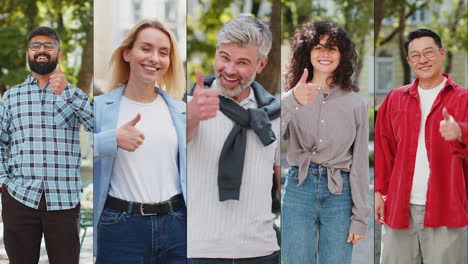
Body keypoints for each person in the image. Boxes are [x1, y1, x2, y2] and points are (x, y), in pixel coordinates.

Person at [187, 15, 281, 263]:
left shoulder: (277, 116)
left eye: (242, 62)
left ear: (261, 65)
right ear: (217, 52)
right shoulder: (189, 107)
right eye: (224, 58)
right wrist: (191, 116)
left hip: (260, 252)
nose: (229, 70)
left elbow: (286, 186)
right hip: (199, 251)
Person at [93, 19, 187, 263]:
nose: (154, 58)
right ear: (127, 53)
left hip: (177, 226)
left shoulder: (180, 111)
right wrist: (111, 138)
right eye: (146, 48)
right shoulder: (100, 108)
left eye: (163, 52)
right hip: (120, 227)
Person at [0, 26, 93, 264]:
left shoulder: (75, 94)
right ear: (28, 54)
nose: (42, 50)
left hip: (63, 200)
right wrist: (3, 183)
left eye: (48, 46)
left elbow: (97, 125)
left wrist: (67, 92)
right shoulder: (12, 97)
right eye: (35, 46)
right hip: (19, 198)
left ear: (59, 55)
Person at [280, 20, 370, 264]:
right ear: (307, 52)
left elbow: (361, 163)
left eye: (332, 48)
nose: (325, 54)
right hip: (299, 186)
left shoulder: (357, 104)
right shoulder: (291, 97)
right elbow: (270, 138)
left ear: (342, 54)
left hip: (340, 193)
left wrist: (360, 217)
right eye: (318, 47)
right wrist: (291, 100)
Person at [375, 28, 467, 264]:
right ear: (408, 61)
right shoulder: (395, 99)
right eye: (415, 55)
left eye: (428, 52)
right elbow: (384, 151)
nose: (422, 60)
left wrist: (460, 132)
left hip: (446, 208)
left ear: (441, 53)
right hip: (399, 209)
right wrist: (378, 193)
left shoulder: (464, 99)